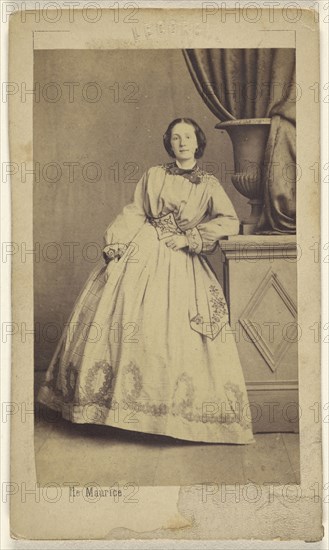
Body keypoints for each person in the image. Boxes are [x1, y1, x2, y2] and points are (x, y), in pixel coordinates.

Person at [37, 118, 255, 445]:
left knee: (174, 331)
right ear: (169, 143)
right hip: (142, 249)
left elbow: (229, 220)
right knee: (122, 317)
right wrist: (118, 241)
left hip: (180, 257)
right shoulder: (153, 175)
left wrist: (190, 238)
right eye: (176, 137)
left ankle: (169, 417)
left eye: (188, 137)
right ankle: (114, 412)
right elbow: (135, 211)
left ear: (198, 143)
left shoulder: (208, 184)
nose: (182, 142)